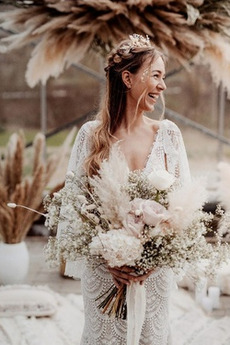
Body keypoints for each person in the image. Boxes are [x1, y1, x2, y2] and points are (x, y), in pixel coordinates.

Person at [61, 34, 191, 345]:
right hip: (104, 273)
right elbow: (74, 213)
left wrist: (152, 259)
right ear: (128, 78)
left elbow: (183, 213)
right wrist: (109, 259)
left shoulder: (169, 135)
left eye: (163, 77)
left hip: (154, 276)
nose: (162, 86)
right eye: (155, 75)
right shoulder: (91, 136)